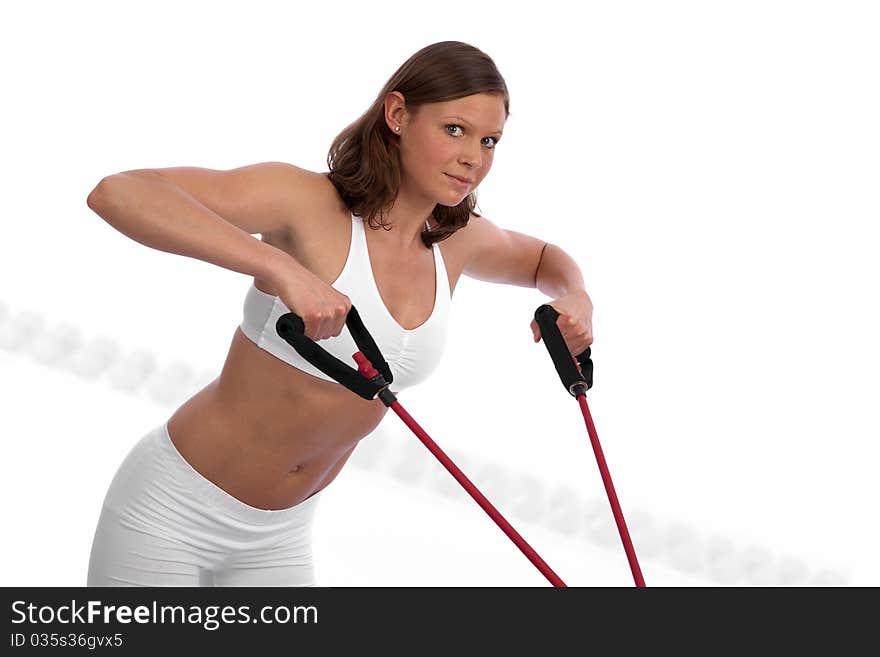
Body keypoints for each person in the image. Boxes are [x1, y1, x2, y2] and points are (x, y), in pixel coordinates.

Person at [84, 40, 594, 587]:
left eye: (490, 140)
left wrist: (575, 295)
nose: (475, 156)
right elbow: (120, 192)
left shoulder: (457, 240)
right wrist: (280, 268)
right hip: (171, 512)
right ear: (397, 115)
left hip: (277, 536)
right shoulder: (304, 202)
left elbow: (543, 259)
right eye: (454, 130)